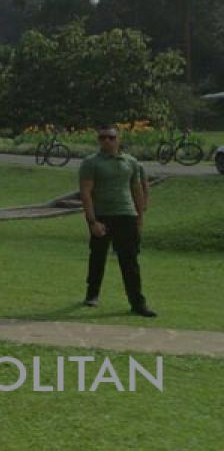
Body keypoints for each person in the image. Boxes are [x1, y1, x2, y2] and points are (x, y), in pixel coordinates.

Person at [79, 125, 156, 317]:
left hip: (126, 215)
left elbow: (137, 190)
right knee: (98, 256)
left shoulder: (130, 162)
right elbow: (86, 193)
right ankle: (92, 294)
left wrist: (140, 217)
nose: (107, 141)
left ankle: (137, 303)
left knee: (129, 261)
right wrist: (92, 221)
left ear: (118, 139)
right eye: (102, 137)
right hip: (102, 215)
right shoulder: (91, 162)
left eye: (111, 137)